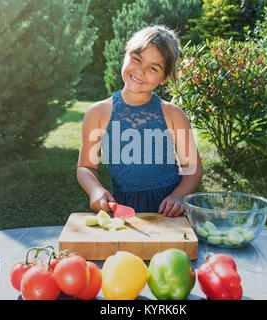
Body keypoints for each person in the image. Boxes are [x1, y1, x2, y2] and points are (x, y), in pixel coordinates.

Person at [77, 25, 203, 217]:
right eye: (136, 59)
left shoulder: (173, 115)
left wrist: (178, 196)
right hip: (123, 209)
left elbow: (193, 169)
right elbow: (86, 167)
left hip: (168, 211)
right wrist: (95, 190)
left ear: (165, 77)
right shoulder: (98, 113)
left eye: (153, 68)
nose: (140, 71)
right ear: (125, 55)